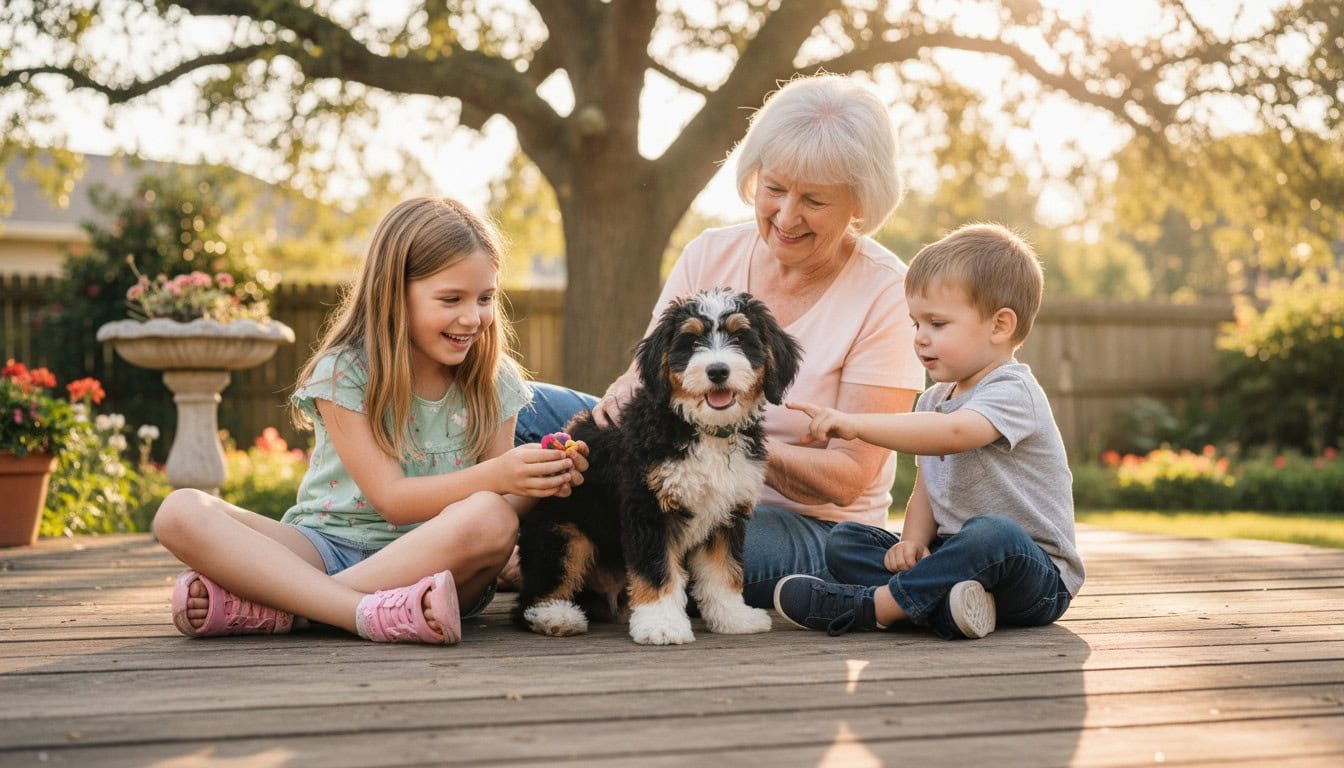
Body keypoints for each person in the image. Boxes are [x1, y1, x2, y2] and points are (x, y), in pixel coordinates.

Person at [515, 73, 925, 607]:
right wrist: (620, 394)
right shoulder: (710, 252)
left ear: (860, 204)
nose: (786, 215)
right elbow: (649, 376)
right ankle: (508, 544)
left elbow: (850, 477)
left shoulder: (887, 293)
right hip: (676, 462)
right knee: (525, 406)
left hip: (801, 519)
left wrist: (729, 442)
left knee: (689, 540)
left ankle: (582, 562)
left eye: (815, 201)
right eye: (774, 188)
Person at [153, 196, 588, 645]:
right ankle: (358, 610)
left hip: (440, 566)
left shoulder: (494, 380)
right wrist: (499, 473)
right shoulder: (345, 372)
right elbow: (392, 500)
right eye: (451, 298)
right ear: (393, 293)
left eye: (485, 298)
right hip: (326, 546)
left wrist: (536, 482)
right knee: (180, 512)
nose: (472, 317)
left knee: (492, 517)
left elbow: (501, 504)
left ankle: (284, 604)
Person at [773, 223, 1084, 640]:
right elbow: (927, 488)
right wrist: (913, 542)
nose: (920, 338)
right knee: (844, 542)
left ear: (999, 325)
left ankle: (876, 606)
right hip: (955, 563)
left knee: (992, 533)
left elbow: (954, 433)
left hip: (1033, 575)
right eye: (915, 323)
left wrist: (855, 424)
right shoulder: (934, 399)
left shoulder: (1013, 390)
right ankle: (947, 607)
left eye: (937, 323)